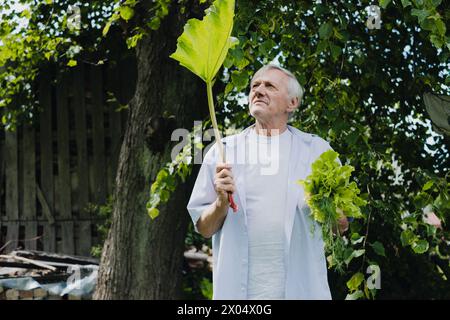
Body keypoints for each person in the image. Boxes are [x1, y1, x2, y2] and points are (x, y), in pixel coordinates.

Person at [187, 64, 348, 300]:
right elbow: (204, 228)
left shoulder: (317, 151)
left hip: (302, 291)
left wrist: (322, 203)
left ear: (292, 103)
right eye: (255, 85)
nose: (259, 90)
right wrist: (221, 203)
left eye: (269, 86)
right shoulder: (223, 151)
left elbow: (341, 225)